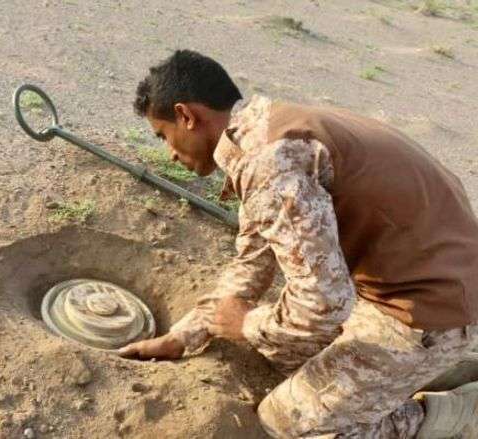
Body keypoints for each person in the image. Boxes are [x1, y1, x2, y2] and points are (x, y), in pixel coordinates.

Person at [118, 49, 478, 438]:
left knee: (289, 422)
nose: (170, 153)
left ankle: (458, 413)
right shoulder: (264, 132)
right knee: (285, 347)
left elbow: (323, 303)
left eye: (163, 136)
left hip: (430, 311)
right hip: (431, 281)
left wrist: (246, 324)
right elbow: (253, 257)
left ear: (186, 116)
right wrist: (188, 333)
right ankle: (427, 368)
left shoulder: (271, 159)